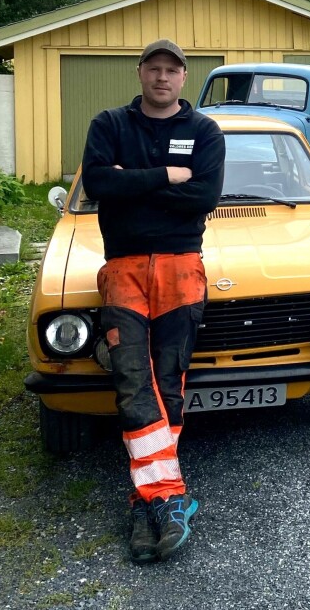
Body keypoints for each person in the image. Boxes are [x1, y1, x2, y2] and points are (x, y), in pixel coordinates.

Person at [81, 39, 225, 563]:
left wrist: (131, 185)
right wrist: (165, 177)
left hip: (182, 266)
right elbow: (97, 183)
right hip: (122, 267)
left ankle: (146, 502)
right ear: (140, 72)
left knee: (167, 381)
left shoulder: (204, 132)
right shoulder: (109, 125)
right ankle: (169, 498)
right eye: (154, 68)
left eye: (172, 70)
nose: (162, 77)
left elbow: (205, 197)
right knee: (132, 381)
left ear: (183, 77)